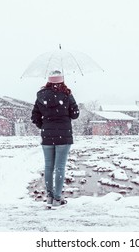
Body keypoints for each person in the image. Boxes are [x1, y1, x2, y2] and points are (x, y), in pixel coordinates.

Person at [31, 70, 80, 209]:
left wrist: (44, 126)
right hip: (63, 136)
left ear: (49, 81)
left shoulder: (41, 96)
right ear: (61, 81)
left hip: (47, 136)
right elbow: (75, 114)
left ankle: (49, 197)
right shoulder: (67, 95)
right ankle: (57, 199)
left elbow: (35, 116)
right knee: (60, 168)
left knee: (48, 167)